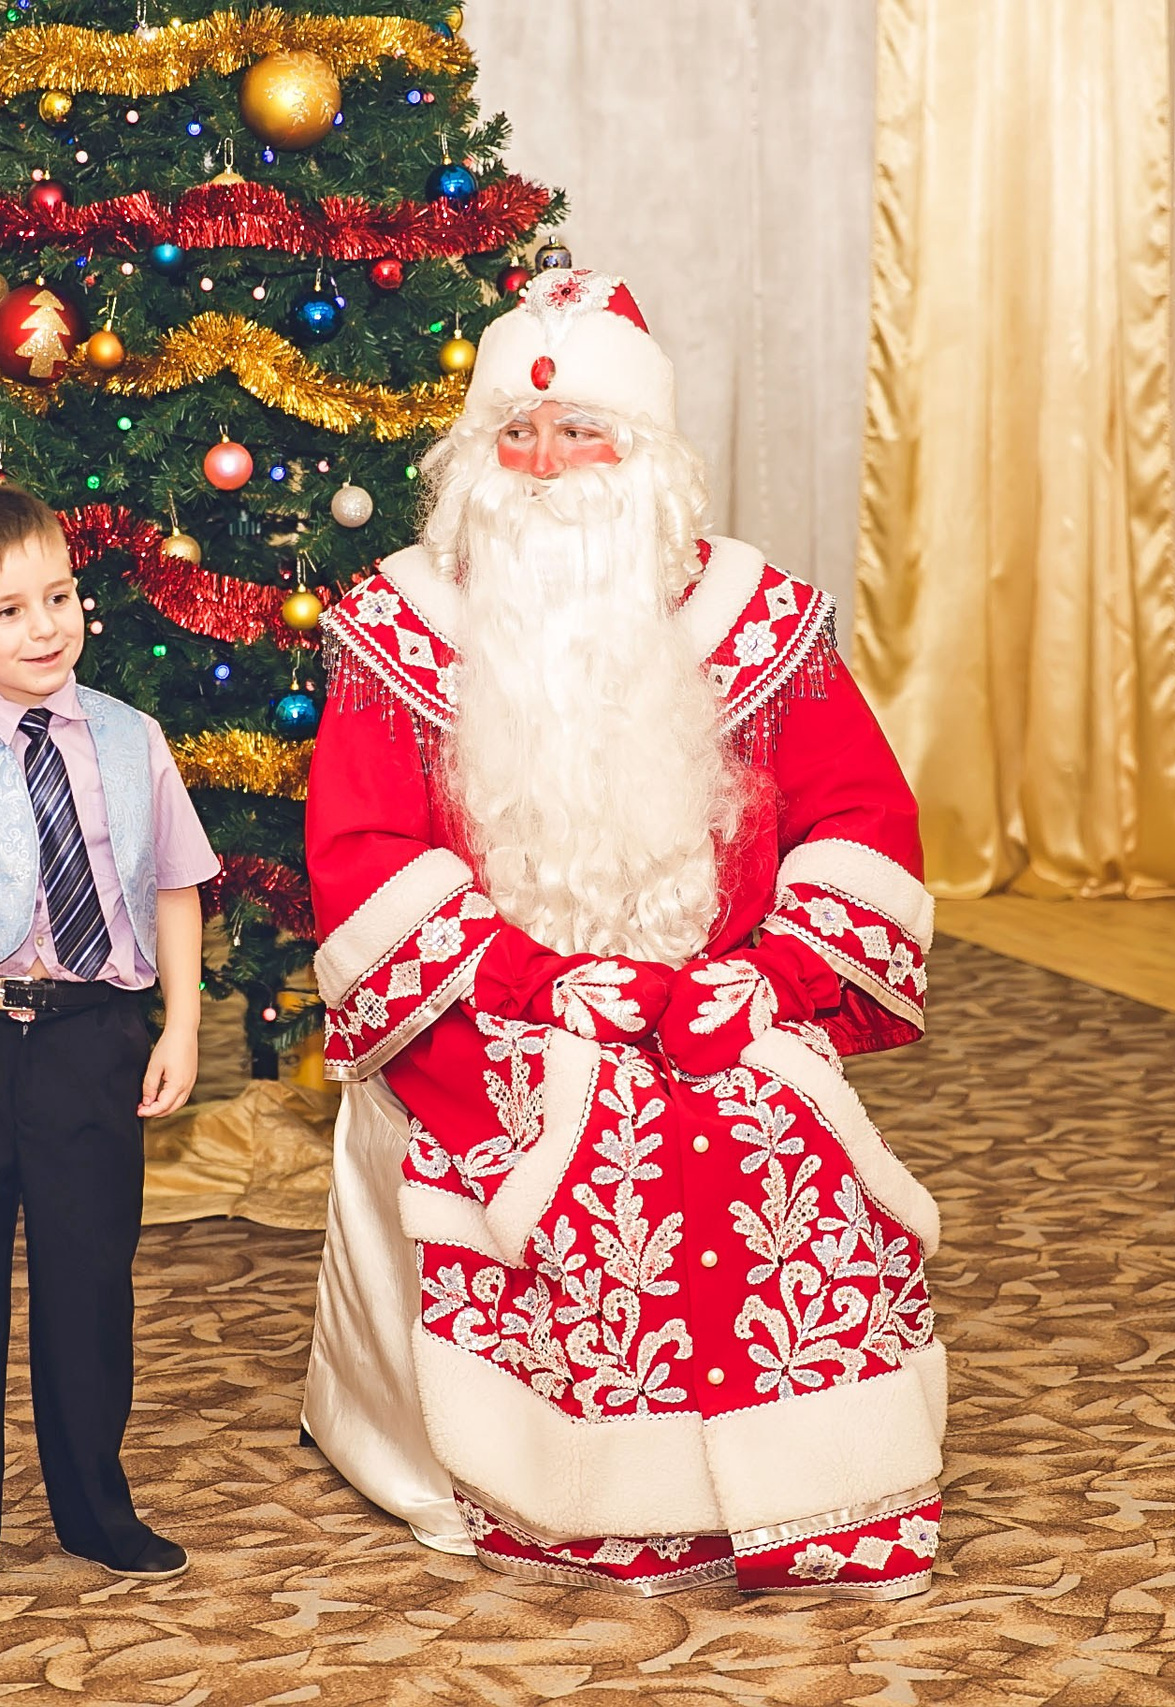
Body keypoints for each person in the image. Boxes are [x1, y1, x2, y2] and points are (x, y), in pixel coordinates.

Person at [301, 269, 946, 1597]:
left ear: (645, 455)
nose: (543, 467)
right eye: (515, 437)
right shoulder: (398, 626)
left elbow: (863, 821)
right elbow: (363, 859)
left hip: (718, 1001)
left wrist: (767, 980)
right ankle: (593, 1496)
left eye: (579, 433)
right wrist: (535, 985)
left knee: (775, 1142)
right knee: (591, 1160)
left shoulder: (762, 621)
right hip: (493, 1016)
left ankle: (808, 1486)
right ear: (473, 458)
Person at [0, 483, 219, 1610]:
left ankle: (96, 1510)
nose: (44, 627)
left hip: (89, 1038)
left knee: (87, 1283)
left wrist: (181, 1023)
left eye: (57, 597)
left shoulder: (125, 732)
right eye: (6, 612)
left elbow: (175, 882)